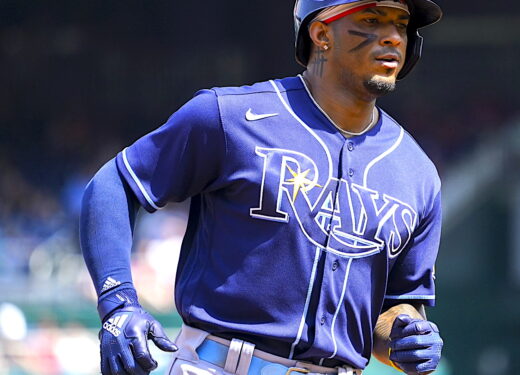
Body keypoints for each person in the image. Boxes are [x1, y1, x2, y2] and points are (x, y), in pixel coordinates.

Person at [80, 1, 444, 374]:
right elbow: (115, 184)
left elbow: (396, 306)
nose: (393, 37)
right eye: (372, 19)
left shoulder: (417, 173)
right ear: (321, 34)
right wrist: (118, 303)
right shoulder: (230, 117)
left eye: (401, 25)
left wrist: (405, 336)